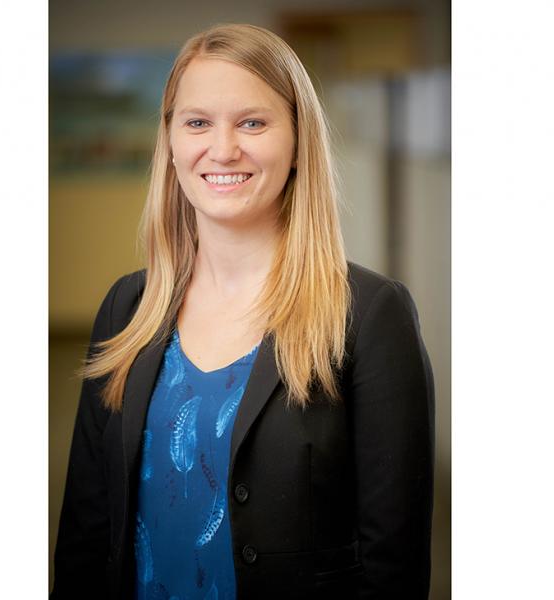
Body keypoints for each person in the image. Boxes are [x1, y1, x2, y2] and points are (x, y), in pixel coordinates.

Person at [51, 23, 434, 600]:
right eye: (198, 122)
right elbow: (86, 533)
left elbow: (393, 567)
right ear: (172, 142)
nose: (223, 148)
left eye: (252, 122)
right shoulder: (126, 308)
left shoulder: (371, 315)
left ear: (298, 141)